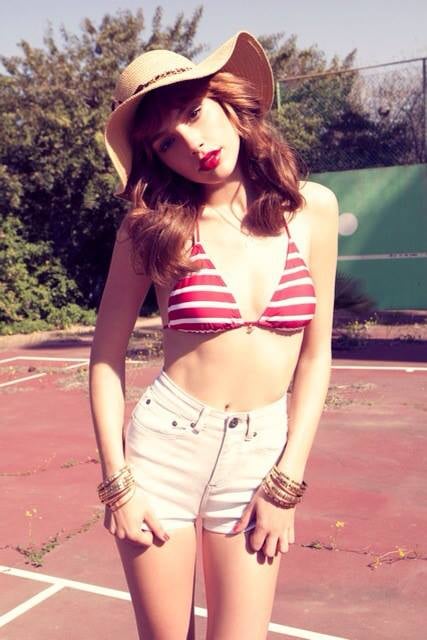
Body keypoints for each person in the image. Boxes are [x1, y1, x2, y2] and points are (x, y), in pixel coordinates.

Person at [89, 30, 338, 640]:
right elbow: (105, 359)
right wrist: (118, 483)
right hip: (164, 451)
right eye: (166, 142)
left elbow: (315, 357)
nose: (192, 144)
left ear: (227, 101)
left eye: (195, 113)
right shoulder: (150, 228)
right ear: (155, 157)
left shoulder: (312, 208)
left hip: (260, 458)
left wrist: (287, 479)